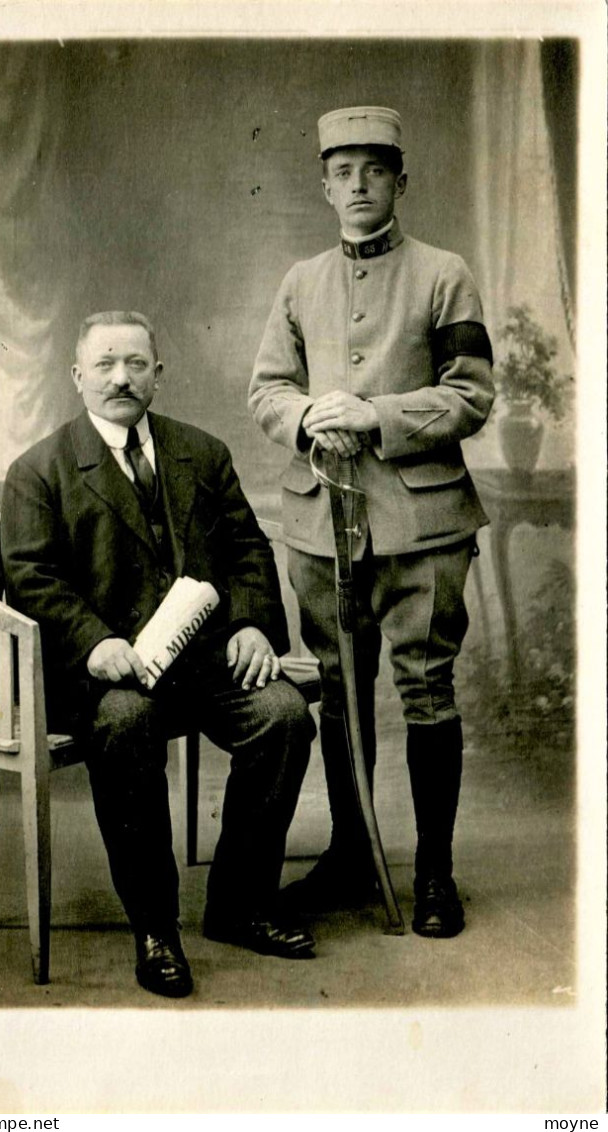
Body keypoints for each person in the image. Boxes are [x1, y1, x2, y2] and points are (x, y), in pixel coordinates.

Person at [0, 310, 316, 999]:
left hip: (202, 662)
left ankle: (240, 903)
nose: (121, 377)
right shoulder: (39, 470)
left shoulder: (200, 453)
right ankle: (155, 928)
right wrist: (94, 642)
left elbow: (246, 550)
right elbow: (32, 578)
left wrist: (254, 625)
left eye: (136, 364)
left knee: (285, 715)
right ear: (77, 376)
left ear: (158, 375)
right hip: (108, 676)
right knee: (126, 724)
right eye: (106, 364)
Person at [248, 107, 494, 938]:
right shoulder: (299, 281)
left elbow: (473, 394)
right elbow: (267, 389)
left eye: (374, 170)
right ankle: (353, 854)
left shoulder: (443, 273)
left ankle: (433, 873)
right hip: (322, 527)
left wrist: (376, 412)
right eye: (342, 173)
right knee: (339, 697)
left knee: (426, 688)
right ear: (324, 187)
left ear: (400, 180)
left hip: (422, 527)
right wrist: (310, 411)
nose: (357, 186)